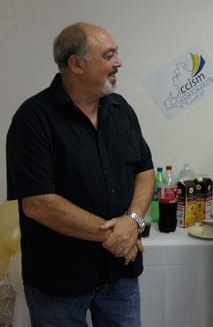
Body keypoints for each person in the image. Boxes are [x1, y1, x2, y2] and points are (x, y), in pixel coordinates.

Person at [6, 22, 155, 327]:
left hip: (119, 271)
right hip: (59, 278)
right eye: (108, 55)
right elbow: (39, 203)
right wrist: (117, 235)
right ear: (76, 64)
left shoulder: (120, 109)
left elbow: (145, 170)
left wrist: (132, 221)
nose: (119, 62)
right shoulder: (33, 119)